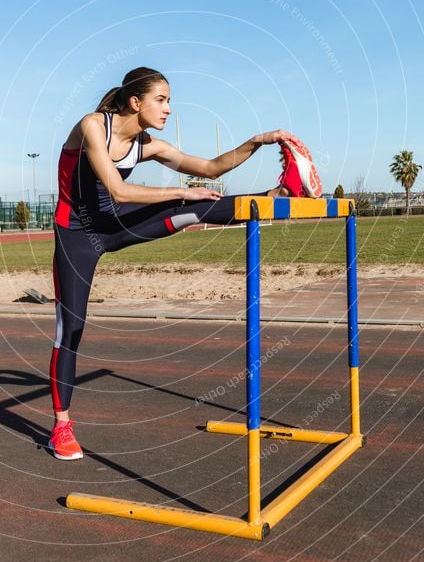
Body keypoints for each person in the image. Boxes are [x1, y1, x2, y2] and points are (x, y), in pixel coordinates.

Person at [48, 66, 321, 460]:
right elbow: (117, 187)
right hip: (76, 235)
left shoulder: (150, 145)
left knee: (195, 207)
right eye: (162, 100)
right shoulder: (93, 126)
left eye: (169, 101)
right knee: (70, 329)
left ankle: (282, 192)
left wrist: (258, 141)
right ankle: (62, 427)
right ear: (135, 101)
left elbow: (211, 168)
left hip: (117, 224)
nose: (169, 109)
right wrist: (179, 190)